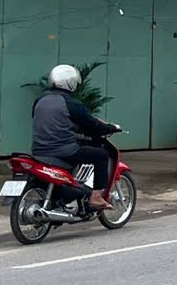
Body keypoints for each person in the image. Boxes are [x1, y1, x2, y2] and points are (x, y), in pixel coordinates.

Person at [31, 64, 120, 210]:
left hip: (39, 151)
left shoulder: (39, 101)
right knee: (101, 155)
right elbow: (93, 126)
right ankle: (96, 197)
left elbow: (52, 121)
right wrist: (112, 128)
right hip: (64, 151)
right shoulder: (71, 103)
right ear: (71, 82)